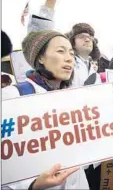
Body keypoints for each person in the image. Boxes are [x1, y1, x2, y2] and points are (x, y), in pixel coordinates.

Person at [2, 30, 89, 190]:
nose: (69, 58)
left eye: (71, 52)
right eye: (60, 51)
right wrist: (32, 185)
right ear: (40, 58)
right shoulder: (13, 96)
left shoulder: (76, 97)